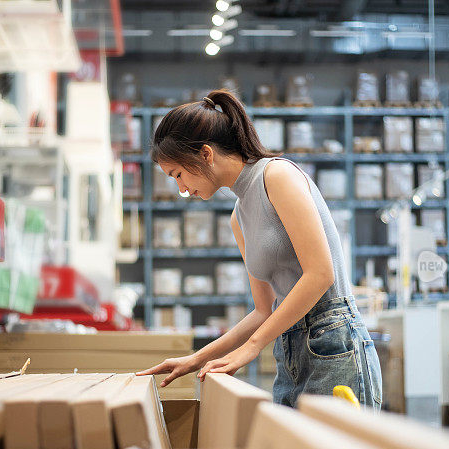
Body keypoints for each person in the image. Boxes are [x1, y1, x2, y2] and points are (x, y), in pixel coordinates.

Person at [138, 89, 381, 408]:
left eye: (178, 175)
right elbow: (263, 311)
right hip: (289, 349)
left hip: (333, 340)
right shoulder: (238, 216)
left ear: (206, 154)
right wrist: (195, 359)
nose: (181, 189)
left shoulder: (277, 176)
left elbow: (321, 273)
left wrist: (252, 347)